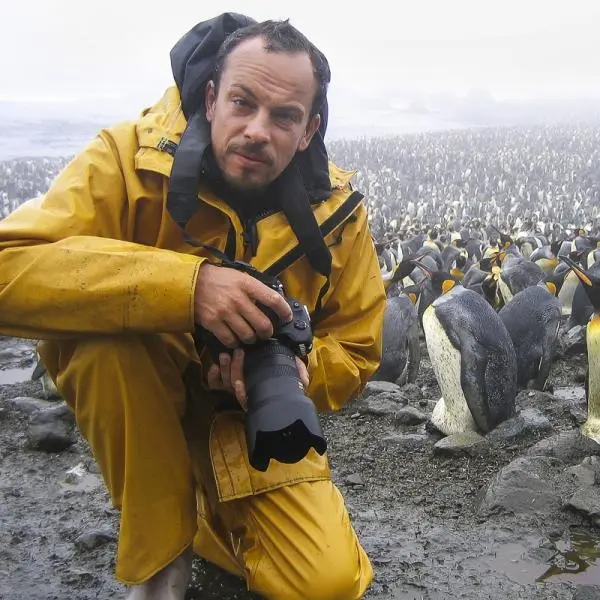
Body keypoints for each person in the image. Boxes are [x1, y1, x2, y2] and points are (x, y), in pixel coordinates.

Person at [0, 13, 386, 600]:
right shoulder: (127, 160)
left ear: (308, 131)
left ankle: (207, 516)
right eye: (242, 102)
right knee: (107, 335)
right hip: (139, 397)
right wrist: (188, 289)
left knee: (327, 585)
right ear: (211, 98)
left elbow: (358, 350)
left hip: (244, 419)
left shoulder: (337, 215)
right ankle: (162, 561)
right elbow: (9, 268)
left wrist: (295, 368)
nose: (258, 129)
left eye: (284, 116)